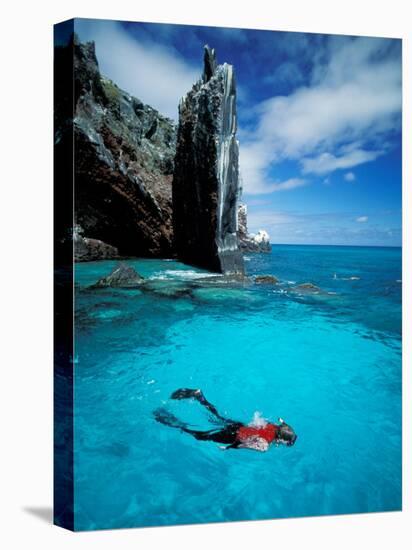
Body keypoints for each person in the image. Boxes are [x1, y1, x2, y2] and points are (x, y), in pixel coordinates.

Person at [153, 388, 297, 452]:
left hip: (238, 426)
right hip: (232, 436)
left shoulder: (272, 425)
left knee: (217, 417)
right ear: (281, 439)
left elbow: (256, 425)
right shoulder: (265, 446)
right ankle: (168, 420)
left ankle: (200, 397)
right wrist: (228, 448)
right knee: (200, 436)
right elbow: (244, 444)